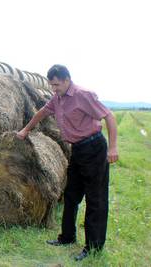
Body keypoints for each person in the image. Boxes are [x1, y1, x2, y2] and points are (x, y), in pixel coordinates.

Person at [17, 64, 118, 261]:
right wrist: (25, 130)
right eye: (51, 85)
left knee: (95, 200)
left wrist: (113, 148)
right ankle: (67, 237)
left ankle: (93, 247)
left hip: (94, 148)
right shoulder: (58, 98)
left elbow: (109, 116)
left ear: (66, 79)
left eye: (56, 85)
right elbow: (42, 113)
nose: (53, 89)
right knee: (71, 195)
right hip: (78, 150)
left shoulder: (83, 95)